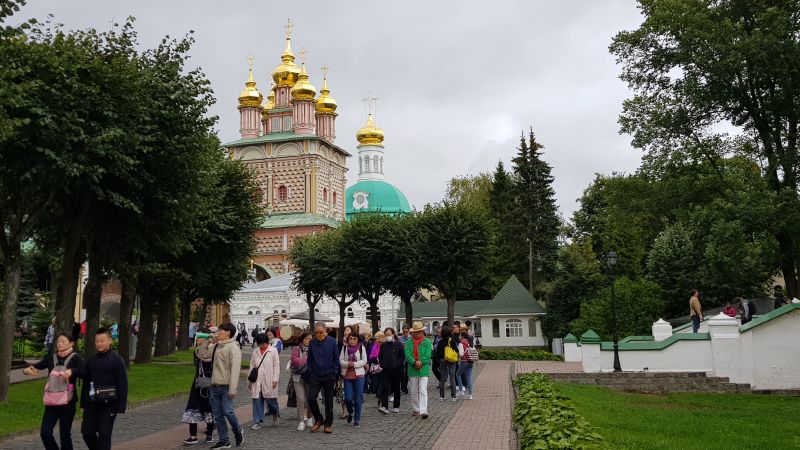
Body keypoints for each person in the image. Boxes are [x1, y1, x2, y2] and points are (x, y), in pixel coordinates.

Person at [24, 332, 85, 450]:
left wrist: (72, 371)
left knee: (64, 435)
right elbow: (35, 366)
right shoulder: (52, 358)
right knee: (45, 433)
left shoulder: (76, 358)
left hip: (68, 401)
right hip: (52, 401)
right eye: (58, 341)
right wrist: (27, 370)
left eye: (63, 341)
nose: (59, 344)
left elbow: (85, 373)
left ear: (71, 343)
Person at [196, 322, 244, 449]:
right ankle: (224, 440)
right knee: (217, 415)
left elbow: (235, 370)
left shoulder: (233, 347)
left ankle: (238, 430)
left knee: (228, 411)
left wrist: (233, 389)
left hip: (226, 386)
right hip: (214, 385)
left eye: (220, 330)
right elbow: (201, 354)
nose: (218, 332)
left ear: (228, 332)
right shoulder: (216, 346)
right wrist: (208, 341)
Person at [81, 328, 128, 450]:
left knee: (104, 434)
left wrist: (121, 406)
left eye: (102, 341)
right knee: (86, 432)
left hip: (110, 404)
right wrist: (83, 403)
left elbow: (122, 384)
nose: (99, 344)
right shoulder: (91, 360)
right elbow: (86, 383)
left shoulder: (117, 360)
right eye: (97, 341)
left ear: (110, 341)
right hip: (92, 404)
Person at [181, 328, 215, 445]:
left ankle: (209, 435)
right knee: (192, 407)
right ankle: (193, 435)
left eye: (201, 337)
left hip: (208, 383)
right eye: (198, 337)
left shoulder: (211, 351)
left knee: (208, 408)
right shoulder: (197, 351)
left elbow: (205, 358)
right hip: (197, 383)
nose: (198, 339)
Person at [307, 321, 339, 434]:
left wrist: (334, 372)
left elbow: (336, 358)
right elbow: (309, 358)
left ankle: (328, 424)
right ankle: (319, 419)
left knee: (329, 401)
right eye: (316, 332)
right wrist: (310, 370)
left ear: (325, 331)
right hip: (315, 375)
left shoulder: (331, 342)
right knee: (311, 398)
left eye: (321, 332)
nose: (319, 334)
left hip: (329, 374)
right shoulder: (312, 342)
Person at [249, 333, 280, 430]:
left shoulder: (273, 351)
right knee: (257, 400)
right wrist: (249, 381)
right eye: (261, 344)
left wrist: (275, 379)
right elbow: (252, 366)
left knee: (271, 400)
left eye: (264, 343)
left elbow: (276, 366)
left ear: (267, 342)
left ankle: (275, 413)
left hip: (269, 379)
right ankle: (257, 421)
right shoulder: (255, 352)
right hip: (257, 380)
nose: (263, 346)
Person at [339, 333, 367, 427]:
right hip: (347, 376)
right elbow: (341, 360)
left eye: (354, 339)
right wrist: (347, 364)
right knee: (348, 398)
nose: (352, 341)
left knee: (358, 399)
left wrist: (354, 364)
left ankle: (357, 419)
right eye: (350, 339)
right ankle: (350, 412)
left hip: (359, 375)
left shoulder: (361, 348)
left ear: (357, 340)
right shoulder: (344, 348)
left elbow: (364, 361)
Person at [405, 321, 432, 419]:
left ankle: (424, 411)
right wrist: (414, 362)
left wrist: (421, 362)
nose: (418, 333)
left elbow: (428, 355)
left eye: (419, 331)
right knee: (413, 390)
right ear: (413, 333)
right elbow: (407, 354)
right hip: (413, 370)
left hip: (423, 369)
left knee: (423, 390)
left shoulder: (427, 342)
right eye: (416, 332)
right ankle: (416, 409)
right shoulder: (409, 342)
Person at [290, 332, 314, 431]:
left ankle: (309, 417)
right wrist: (306, 360)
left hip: (311, 377)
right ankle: (301, 420)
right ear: (302, 339)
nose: (309, 340)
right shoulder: (296, 349)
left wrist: (302, 360)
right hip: (298, 377)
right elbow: (294, 361)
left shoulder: (314, 349)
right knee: (301, 399)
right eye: (307, 338)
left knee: (310, 398)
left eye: (311, 339)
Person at [378, 327, 403, 414]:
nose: (388, 336)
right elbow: (380, 357)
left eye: (389, 334)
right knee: (385, 388)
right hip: (385, 370)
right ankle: (384, 406)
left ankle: (396, 406)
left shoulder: (398, 344)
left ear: (393, 334)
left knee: (396, 388)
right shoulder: (383, 346)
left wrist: (397, 365)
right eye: (386, 334)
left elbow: (402, 357)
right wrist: (382, 364)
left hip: (396, 370)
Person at [435, 326, 459, 402]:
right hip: (451, 360)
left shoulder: (440, 341)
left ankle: (442, 396)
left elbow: (437, 353)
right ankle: (453, 396)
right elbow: (456, 350)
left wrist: (440, 360)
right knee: (452, 377)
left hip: (442, 360)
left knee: (443, 378)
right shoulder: (451, 340)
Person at [456, 331, 474, 400]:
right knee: (469, 377)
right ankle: (470, 395)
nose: (459, 337)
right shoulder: (470, 342)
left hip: (464, 362)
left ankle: (461, 390)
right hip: (471, 361)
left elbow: (461, 354)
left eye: (460, 336)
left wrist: (458, 353)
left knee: (458, 374)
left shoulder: (461, 343)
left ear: (462, 337)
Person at [366, 331, 384, 399]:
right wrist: (375, 359)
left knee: (382, 382)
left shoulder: (384, 346)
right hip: (375, 368)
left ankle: (380, 395)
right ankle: (377, 393)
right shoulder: (372, 346)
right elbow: (369, 357)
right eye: (376, 339)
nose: (377, 340)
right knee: (376, 382)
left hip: (383, 367)